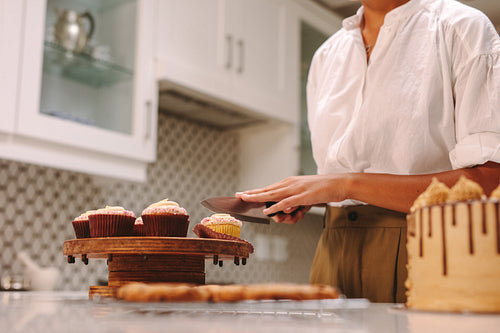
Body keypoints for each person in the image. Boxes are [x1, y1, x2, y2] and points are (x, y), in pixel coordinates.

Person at [236, 0, 500, 303]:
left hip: (427, 253)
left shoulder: (462, 28)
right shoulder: (326, 56)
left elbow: (489, 181)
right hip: (332, 252)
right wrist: (318, 195)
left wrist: (341, 185)